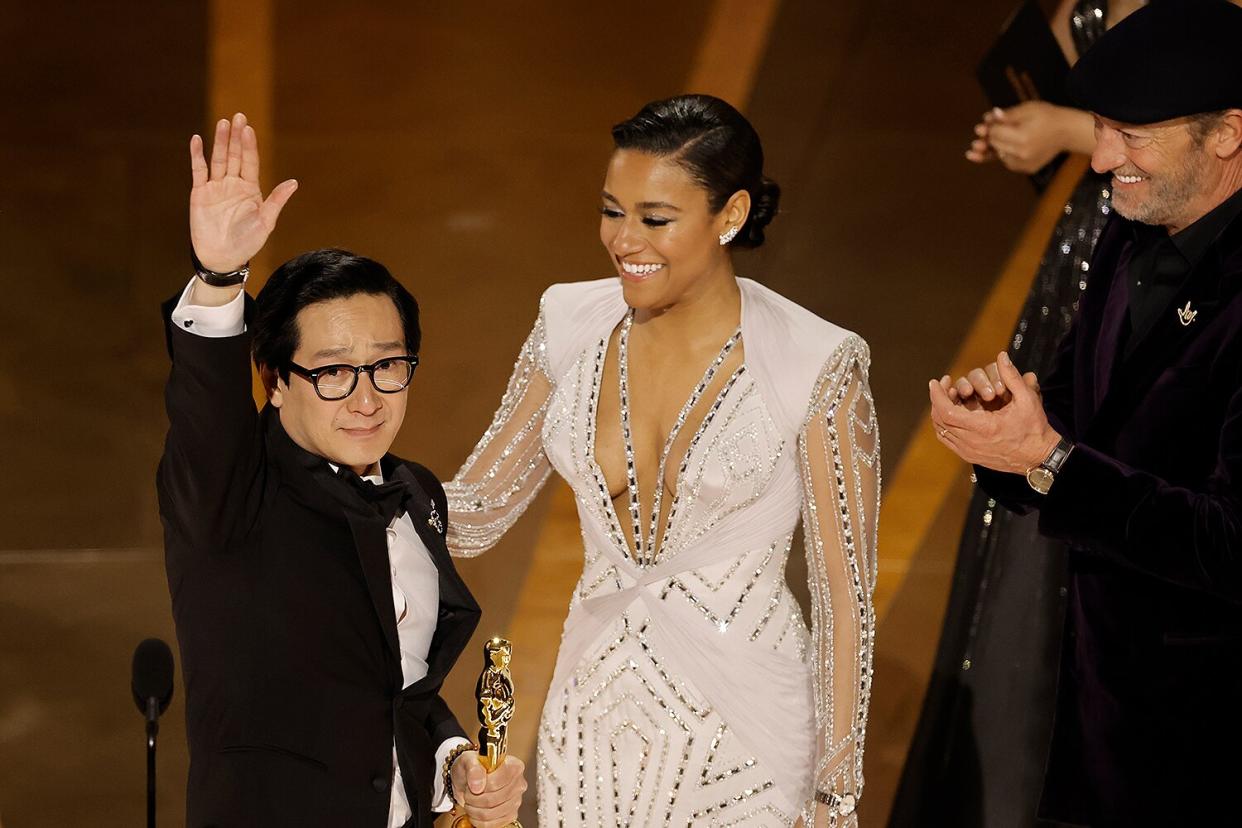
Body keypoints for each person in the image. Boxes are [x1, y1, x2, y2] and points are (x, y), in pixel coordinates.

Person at [444, 94, 881, 826]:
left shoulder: (817, 363)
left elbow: (846, 599)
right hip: (590, 726)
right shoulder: (570, 324)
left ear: (731, 215)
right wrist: (335, 474)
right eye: (611, 211)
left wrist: (836, 794)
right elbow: (475, 514)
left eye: (655, 219)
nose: (623, 241)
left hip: (747, 738)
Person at [157, 113, 525, 828]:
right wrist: (220, 278)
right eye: (331, 371)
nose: (366, 398)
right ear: (274, 378)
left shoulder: (415, 491)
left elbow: (394, 687)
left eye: (387, 366)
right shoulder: (232, 495)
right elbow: (204, 411)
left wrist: (454, 763)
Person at [928, 2, 1242, 823]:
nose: (1102, 159)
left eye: (1130, 136)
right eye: (1099, 129)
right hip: (1101, 730)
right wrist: (1001, 434)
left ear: (1227, 133)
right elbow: (1071, 418)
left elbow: (1230, 545)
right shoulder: (1128, 232)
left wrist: (1051, 462)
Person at [891, 3, 1143, 825]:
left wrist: (1067, 129)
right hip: (1084, 256)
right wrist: (1021, 123)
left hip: (1158, 259)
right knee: (1030, 534)